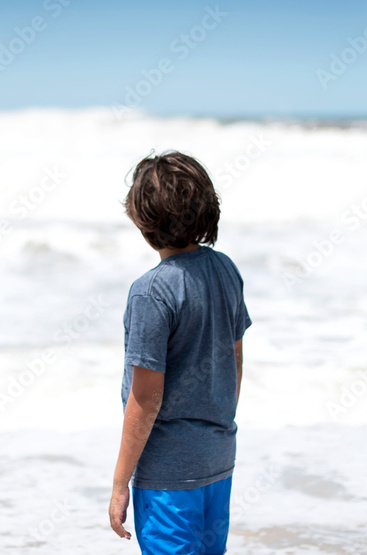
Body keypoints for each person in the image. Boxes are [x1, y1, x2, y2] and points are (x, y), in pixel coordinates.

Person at [108, 150, 252, 554]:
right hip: (218, 456)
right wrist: (217, 423)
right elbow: (235, 358)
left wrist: (121, 484)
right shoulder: (226, 270)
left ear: (143, 218)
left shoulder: (152, 291)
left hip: (170, 475)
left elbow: (146, 397)